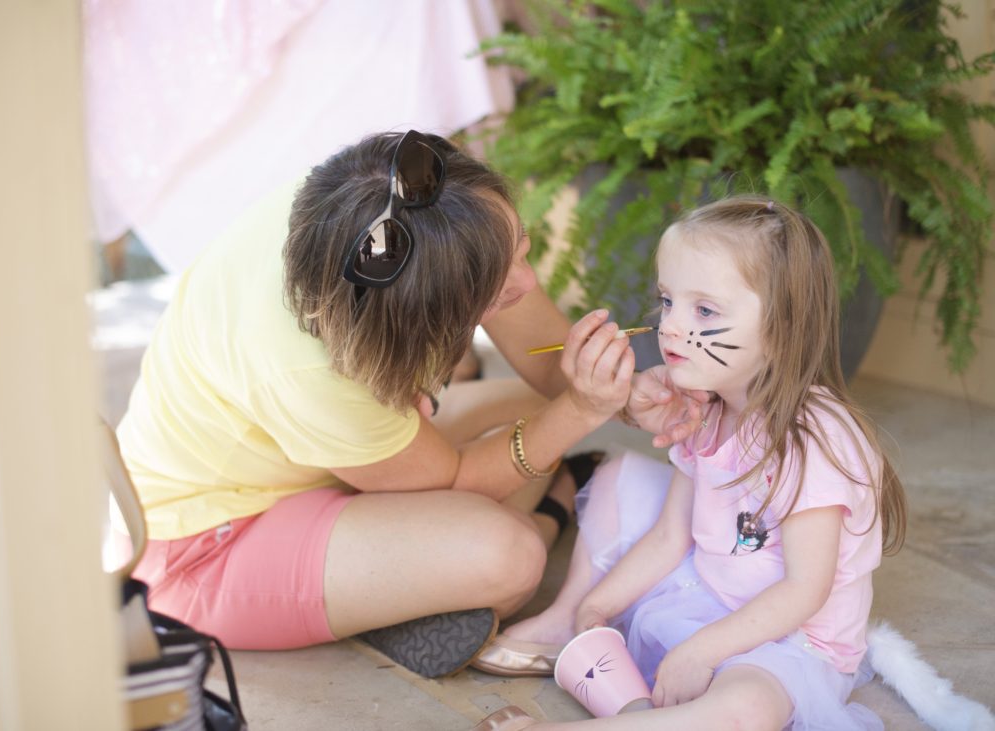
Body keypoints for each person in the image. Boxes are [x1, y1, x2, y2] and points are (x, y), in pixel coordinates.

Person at [115, 129, 702, 679]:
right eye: (496, 292)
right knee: (507, 555)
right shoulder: (308, 368)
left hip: (315, 461)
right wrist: (580, 410)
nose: (525, 284)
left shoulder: (392, 207)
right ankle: (501, 537)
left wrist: (621, 388)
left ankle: (405, 573)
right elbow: (461, 479)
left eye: (520, 249)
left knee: (527, 409)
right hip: (208, 545)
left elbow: (544, 353)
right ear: (417, 316)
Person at [471, 196, 908, 730]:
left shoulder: (813, 438)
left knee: (745, 707)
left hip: (789, 639)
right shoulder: (707, 411)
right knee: (616, 476)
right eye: (667, 301)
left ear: (780, 326)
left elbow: (803, 591)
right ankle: (591, 652)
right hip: (709, 594)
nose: (672, 328)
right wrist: (595, 606)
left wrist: (702, 651)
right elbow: (668, 538)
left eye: (704, 310)